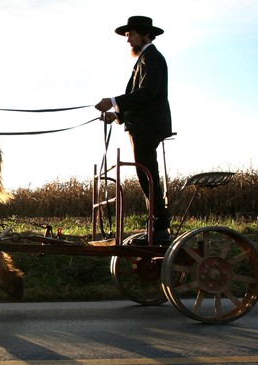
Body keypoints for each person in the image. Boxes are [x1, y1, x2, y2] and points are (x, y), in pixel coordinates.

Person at [95, 15, 173, 245]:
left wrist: (112, 101)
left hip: (148, 126)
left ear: (145, 34)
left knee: (147, 174)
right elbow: (138, 100)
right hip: (142, 124)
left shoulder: (153, 59)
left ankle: (160, 229)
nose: (128, 40)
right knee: (144, 173)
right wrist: (116, 115)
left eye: (131, 35)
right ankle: (156, 225)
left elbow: (147, 95)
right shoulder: (144, 59)